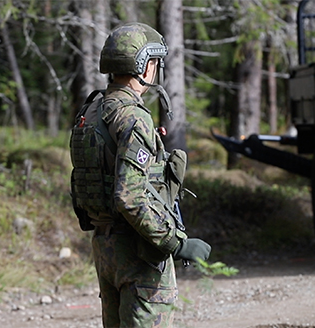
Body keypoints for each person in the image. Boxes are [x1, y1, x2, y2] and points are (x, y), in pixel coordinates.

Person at [71, 23, 211, 327]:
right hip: (139, 252)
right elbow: (130, 196)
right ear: (144, 66)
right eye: (155, 62)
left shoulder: (94, 109)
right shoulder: (133, 117)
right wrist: (175, 243)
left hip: (106, 246)